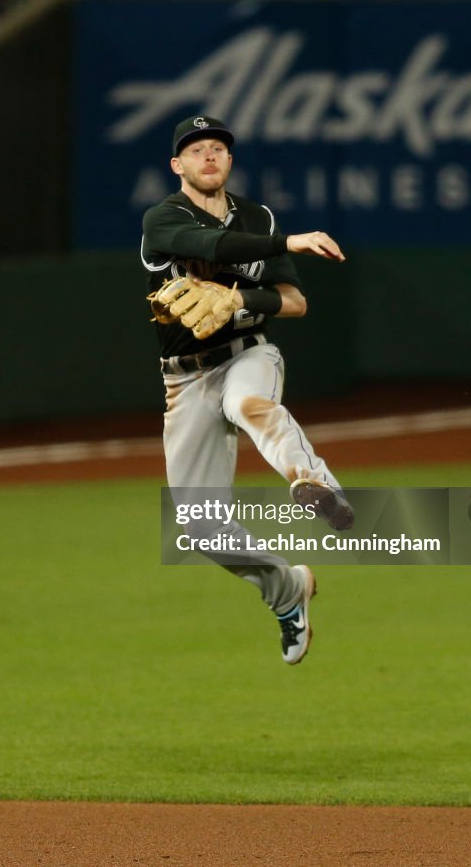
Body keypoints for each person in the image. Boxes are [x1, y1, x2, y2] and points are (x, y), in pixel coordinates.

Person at [141, 115, 355, 666]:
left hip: (248, 355)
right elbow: (206, 242)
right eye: (196, 150)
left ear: (229, 161)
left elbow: (294, 301)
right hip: (184, 378)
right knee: (201, 528)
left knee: (249, 404)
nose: (208, 156)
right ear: (178, 165)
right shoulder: (163, 218)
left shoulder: (257, 215)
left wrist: (240, 302)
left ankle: (316, 482)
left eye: (218, 148)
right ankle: (288, 592)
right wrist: (288, 240)